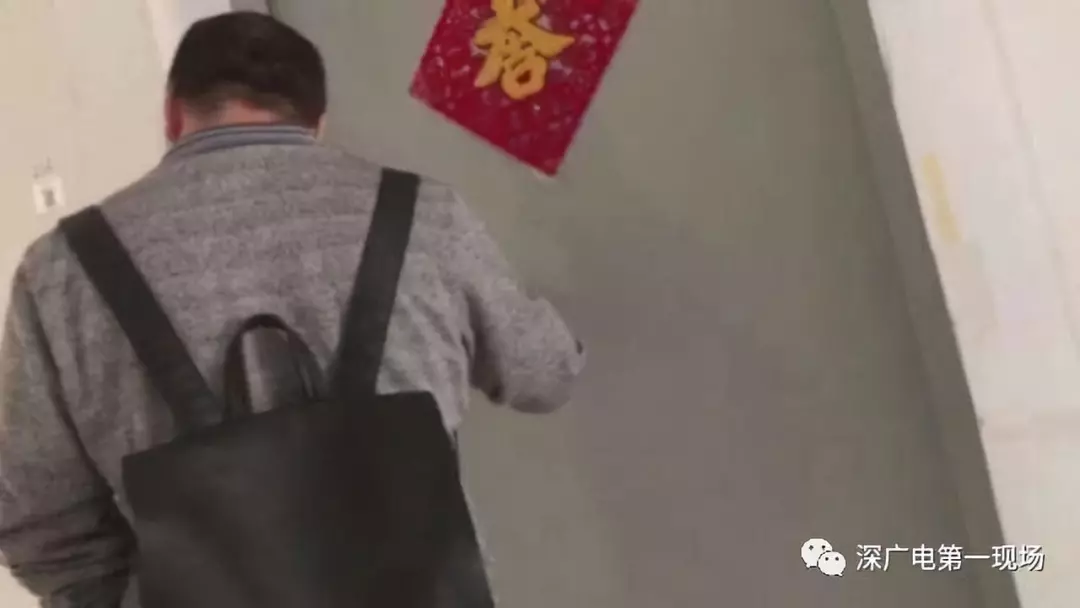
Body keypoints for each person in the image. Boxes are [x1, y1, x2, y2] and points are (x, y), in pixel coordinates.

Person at [0, 11, 584, 606]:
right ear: (318, 123)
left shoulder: (60, 272)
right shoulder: (427, 217)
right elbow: (545, 376)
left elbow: (36, 520)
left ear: (173, 115)